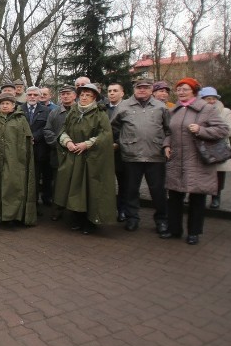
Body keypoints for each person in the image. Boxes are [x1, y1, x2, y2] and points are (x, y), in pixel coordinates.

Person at [159, 78, 229, 245]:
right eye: (179, 89)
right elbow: (168, 131)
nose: (181, 92)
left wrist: (201, 130)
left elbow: (222, 130)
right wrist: (166, 145)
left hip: (197, 160)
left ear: (194, 91)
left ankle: (194, 232)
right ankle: (174, 229)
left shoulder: (206, 109)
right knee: (174, 196)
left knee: (197, 197)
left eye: (185, 89)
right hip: (176, 159)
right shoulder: (173, 110)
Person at [53, 83, 116, 234]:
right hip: (74, 157)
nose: (84, 97)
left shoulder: (100, 113)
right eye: (82, 95)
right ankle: (77, 218)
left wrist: (87, 144)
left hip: (91, 159)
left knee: (90, 189)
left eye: (88, 95)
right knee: (74, 189)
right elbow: (63, 130)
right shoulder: (73, 112)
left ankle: (90, 221)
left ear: (94, 97)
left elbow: (105, 135)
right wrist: (67, 141)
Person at [110, 80, 171, 234]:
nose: (142, 90)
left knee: (158, 191)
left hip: (155, 155)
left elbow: (169, 130)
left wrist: (167, 145)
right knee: (131, 190)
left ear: (152, 90)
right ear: (134, 89)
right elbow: (112, 127)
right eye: (139, 88)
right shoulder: (123, 106)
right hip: (131, 155)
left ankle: (161, 220)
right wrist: (120, 142)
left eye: (146, 88)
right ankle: (132, 218)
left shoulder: (160, 106)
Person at [0, 93, 37, 225]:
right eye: (2, 103)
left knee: (13, 186)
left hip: (15, 158)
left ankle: (12, 216)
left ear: (13, 106)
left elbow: (27, 140)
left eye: (7, 103)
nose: (5, 106)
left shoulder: (20, 120)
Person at [197, 87, 231, 209]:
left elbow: (228, 130)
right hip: (201, 148)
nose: (212, 101)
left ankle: (216, 197)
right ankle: (198, 196)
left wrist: (204, 131)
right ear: (202, 99)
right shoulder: (196, 111)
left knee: (219, 174)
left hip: (218, 148)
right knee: (200, 174)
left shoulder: (225, 112)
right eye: (208, 98)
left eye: (214, 98)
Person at [43, 86, 76, 219]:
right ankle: (57, 210)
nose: (65, 96)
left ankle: (75, 212)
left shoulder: (80, 112)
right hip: (58, 154)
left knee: (76, 183)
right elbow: (47, 130)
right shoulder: (54, 113)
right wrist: (59, 144)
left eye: (68, 94)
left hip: (77, 153)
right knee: (57, 184)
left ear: (74, 96)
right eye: (63, 94)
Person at [105, 83, 127, 221]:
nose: (112, 93)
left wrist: (118, 144)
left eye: (115, 91)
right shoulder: (102, 109)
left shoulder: (128, 108)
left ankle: (122, 210)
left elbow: (130, 129)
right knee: (106, 184)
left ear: (122, 93)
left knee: (124, 184)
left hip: (122, 153)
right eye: (109, 91)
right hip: (105, 152)